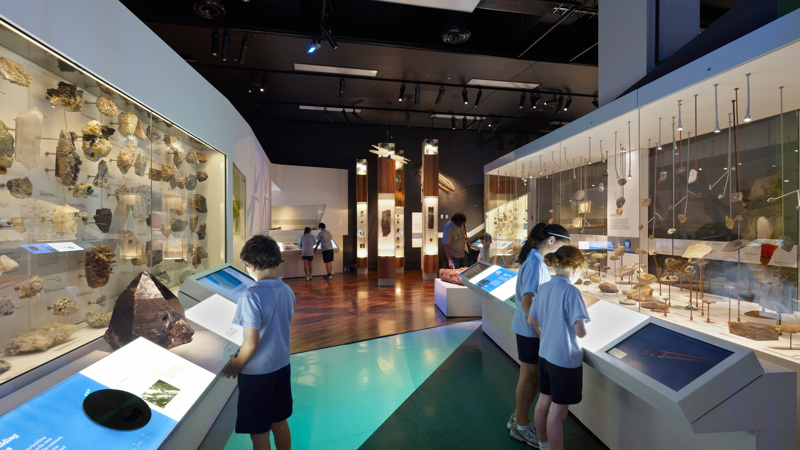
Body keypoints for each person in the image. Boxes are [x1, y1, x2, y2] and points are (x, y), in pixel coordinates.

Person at [223, 235, 296, 450]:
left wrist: (236, 365)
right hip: (281, 366)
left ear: (252, 265)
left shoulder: (250, 296)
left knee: (259, 431)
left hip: (257, 374)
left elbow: (251, 343)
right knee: (280, 422)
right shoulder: (287, 290)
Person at [508, 222, 570, 448]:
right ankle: (522, 427)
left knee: (532, 377)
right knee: (528, 376)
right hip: (530, 330)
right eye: (562, 243)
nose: (561, 248)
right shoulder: (535, 262)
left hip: (529, 328)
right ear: (552, 240)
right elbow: (528, 300)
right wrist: (541, 332)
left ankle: (518, 418)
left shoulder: (535, 259)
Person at [529, 246, 590, 450]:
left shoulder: (544, 288)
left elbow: (531, 319)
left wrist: (547, 329)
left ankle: (543, 444)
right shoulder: (572, 292)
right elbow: (580, 331)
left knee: (543, 401)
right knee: (559, 413)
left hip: (545, 355)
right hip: (564, 360)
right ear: (577, 267)